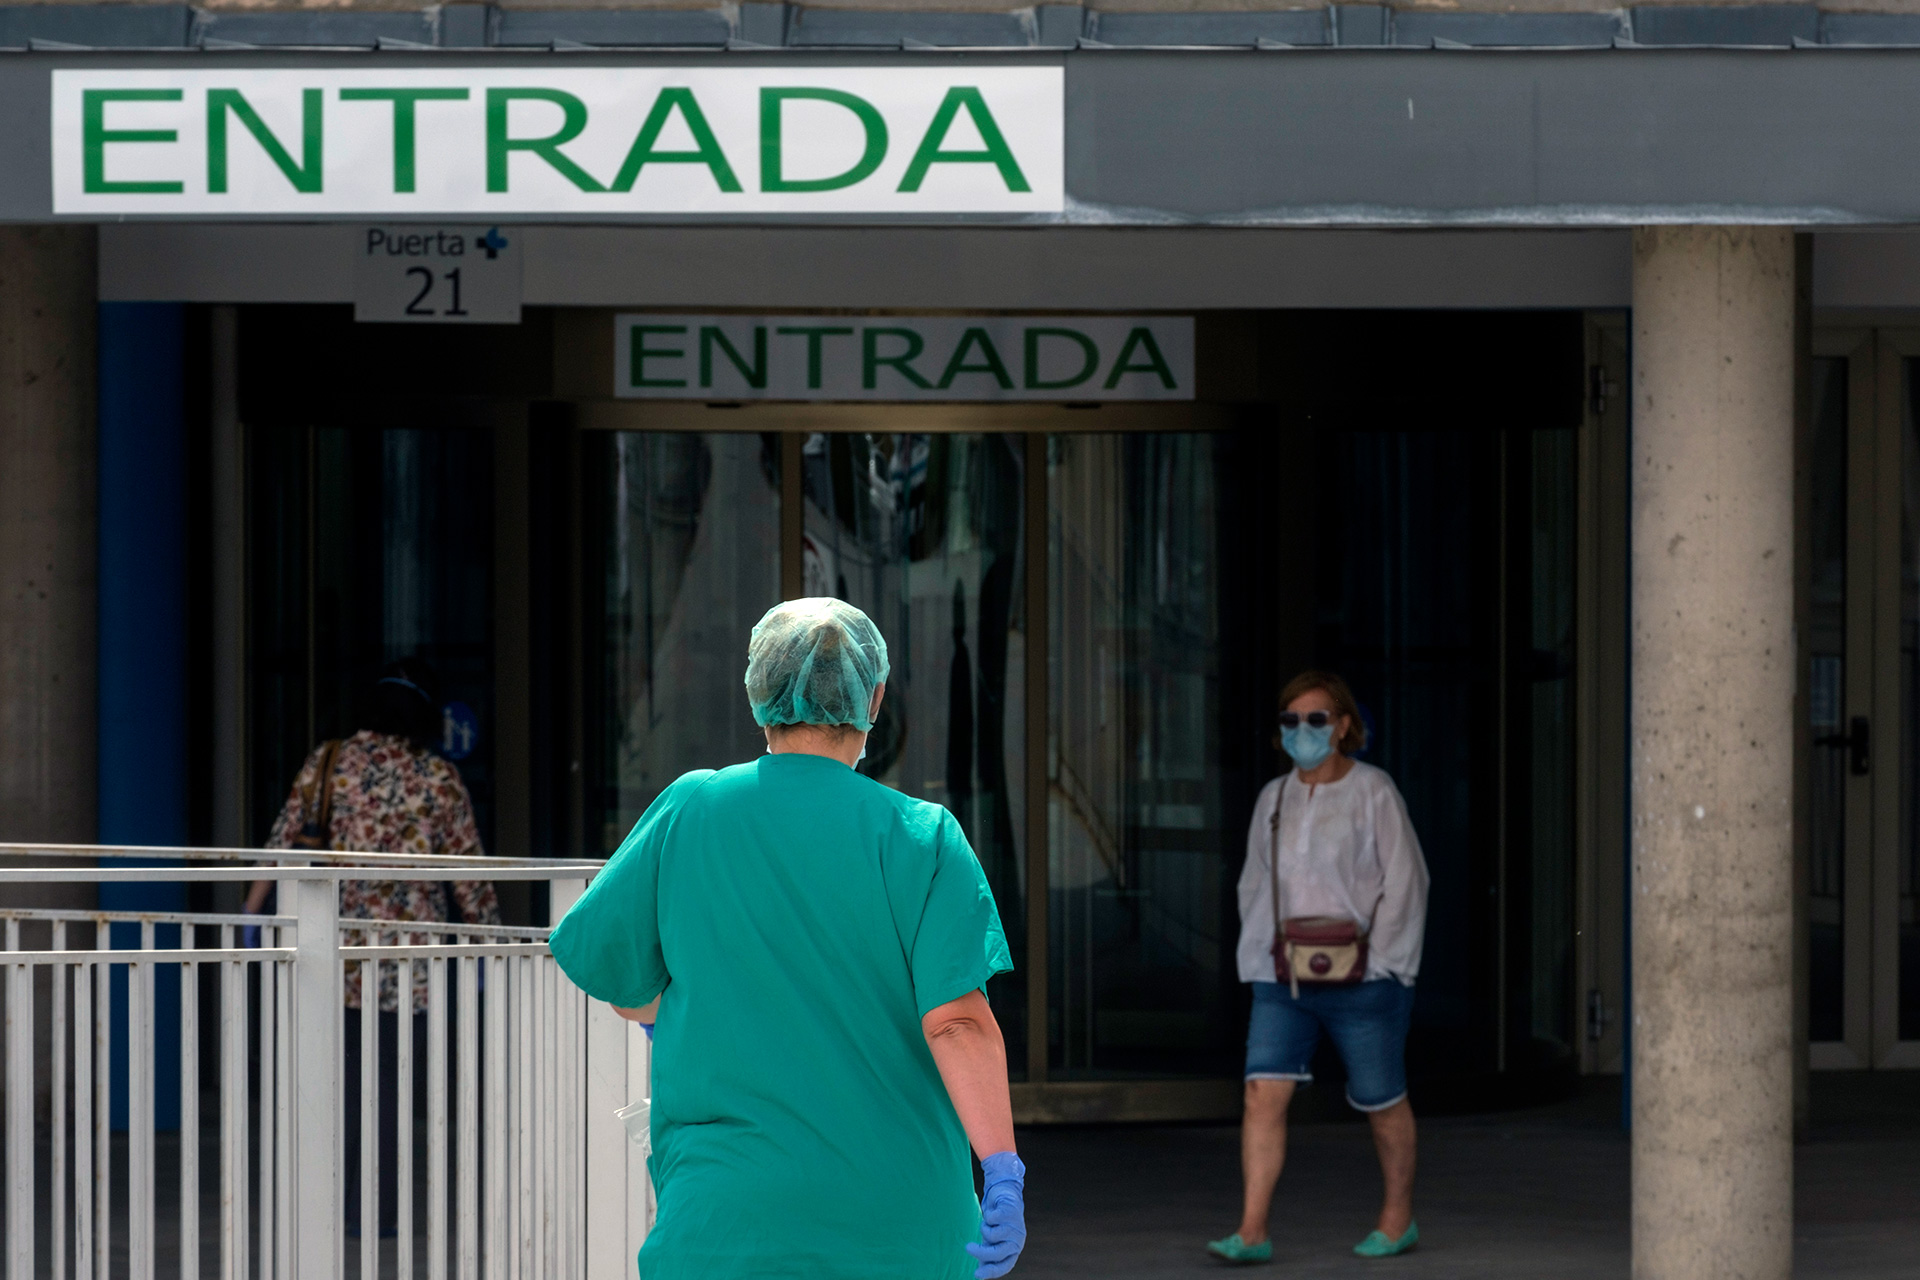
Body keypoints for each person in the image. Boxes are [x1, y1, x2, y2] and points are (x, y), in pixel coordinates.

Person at [549, 598, 1027, 1280]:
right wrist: (1003, 1172)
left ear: (758, 692)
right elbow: (956, 1022)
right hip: (897, 1229)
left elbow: (614, 973)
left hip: (725, 1227)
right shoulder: (923, 837)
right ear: (875, 697)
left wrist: (691, 1015)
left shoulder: (692, 810)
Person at [244, 656, 500, 1238]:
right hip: (411, 959)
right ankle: (377, 1211)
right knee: (390, 1083)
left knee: (329, 1078)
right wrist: (488, 947)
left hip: (329, 950)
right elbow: (471, 876)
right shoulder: (437, 778)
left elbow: (284, 841)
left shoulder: (328, 762)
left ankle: (324, 1202)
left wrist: (250, 913)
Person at [1208, 670, 1430, 1265]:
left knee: (1382, 1101)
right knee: (1263, 1093)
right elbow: (1255, 885)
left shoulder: (1373, 792)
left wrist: (1385, 964)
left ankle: (1397, 1218)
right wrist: (1257, 962)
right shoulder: (1273, 798)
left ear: (1343, 726)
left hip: (1366, 977)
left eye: (1315, 719)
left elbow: (1407, 882)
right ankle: (1252, 1229)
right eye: (1290, 721)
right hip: (1284, 976)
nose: (1301, 731)